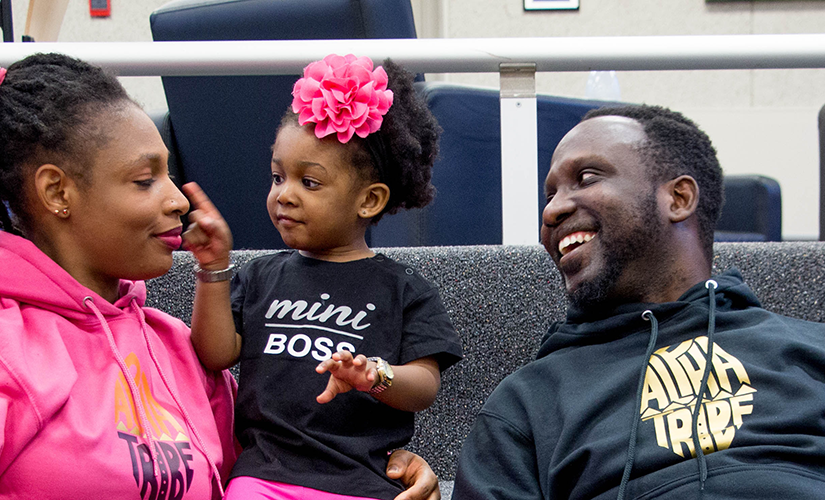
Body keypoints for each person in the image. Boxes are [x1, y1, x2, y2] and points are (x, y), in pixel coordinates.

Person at [0, 53, 442, 500]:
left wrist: (380, 466)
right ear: (57, 191)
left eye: (168, 175)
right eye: (143, 180)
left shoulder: (175, 346)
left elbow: (277, 446)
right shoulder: (9, 348)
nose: (178, 201)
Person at [451, 104, 825, 499]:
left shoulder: (809, 349)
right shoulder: (527, 402)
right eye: (550, 194)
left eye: (586, 177)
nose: (552, 209)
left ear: (678, 198)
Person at [182, 54, 463, 500]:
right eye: (277, 176)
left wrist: (375, 375)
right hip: (262, 476)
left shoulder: (405, 289)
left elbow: (425, 386)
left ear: (368, 200)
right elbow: (215, 354)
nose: (283, 195)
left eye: (309, 183)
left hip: (363, 481)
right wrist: (213, 268)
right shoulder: (260, 276)